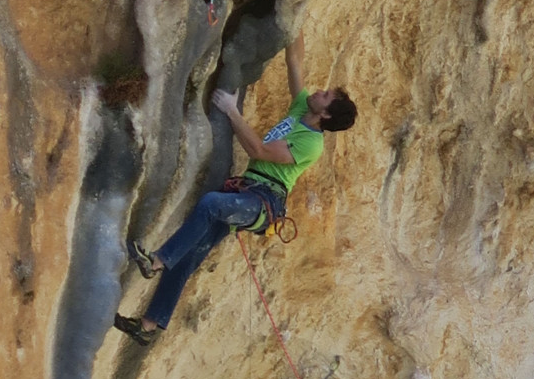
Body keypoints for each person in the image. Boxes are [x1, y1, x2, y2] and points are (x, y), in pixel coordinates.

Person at [114, 31, 357, 345]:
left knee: (212, 203)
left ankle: (157, 260)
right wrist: (294, 16)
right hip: (247, 192)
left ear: (325, 114)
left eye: (326, 96)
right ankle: (148, 327)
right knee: (191, 254)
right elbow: (294, 59)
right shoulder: (301, 108)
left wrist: (232, 111)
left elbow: (258, 151)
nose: (320, 91)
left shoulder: (311, 144)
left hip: (264, 203)